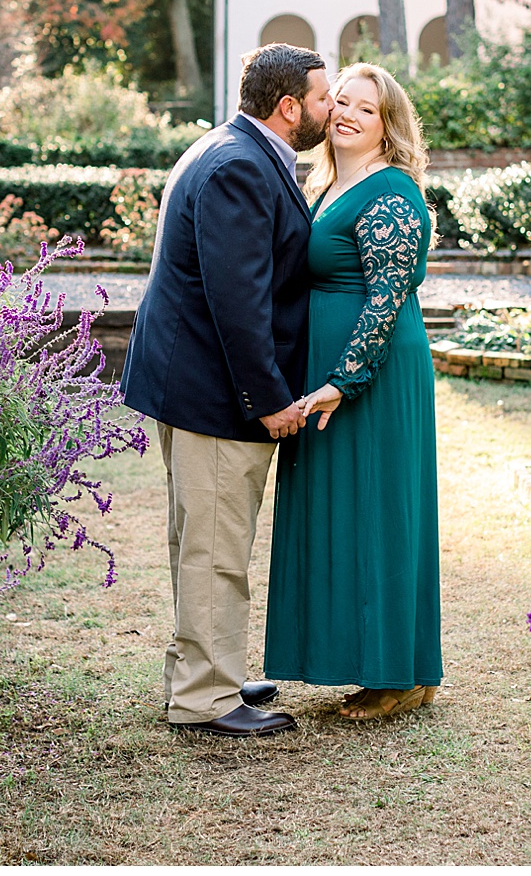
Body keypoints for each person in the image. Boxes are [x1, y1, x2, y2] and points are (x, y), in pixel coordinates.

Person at [120, 42, 334, 738]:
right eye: (324, 98)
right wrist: (268, 399)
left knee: (203, 541)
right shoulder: (240, 166)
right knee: (214, 547)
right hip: (212, 393)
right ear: (290, 107)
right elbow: (238, 302)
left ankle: (205, 671)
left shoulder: (233, 149)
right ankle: (206, 698)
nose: (332, 108)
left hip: (196, 383)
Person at [263, 62, 442, 719]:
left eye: (367, 108)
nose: (348, 114)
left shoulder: (389, 190)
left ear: (388, 126)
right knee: (347, 511)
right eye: (341, 101)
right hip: (333, 371)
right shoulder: (330, 183)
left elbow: (386, 298)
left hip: (374, 374)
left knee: (380, 512)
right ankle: (382, 662)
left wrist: (345, 379)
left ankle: (397, 674)